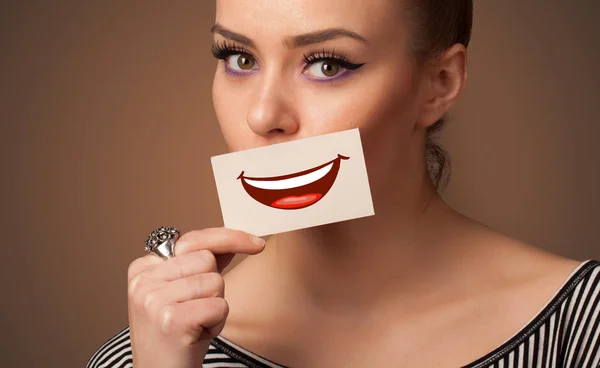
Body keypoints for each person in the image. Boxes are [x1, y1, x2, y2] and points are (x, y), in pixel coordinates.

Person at [86, 0, 600, 367]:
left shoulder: (582, 327)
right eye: (239, 59)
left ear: (439, 84)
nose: (264, 115)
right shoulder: (150, 354)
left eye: (327, 64)